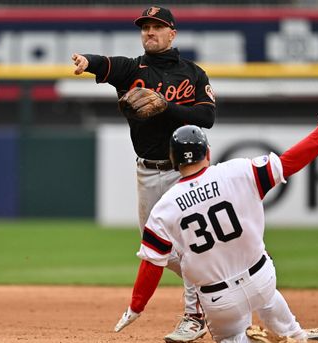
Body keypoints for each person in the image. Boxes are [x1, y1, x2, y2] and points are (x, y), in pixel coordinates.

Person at [113, 99, 318, 342]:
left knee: (232, 339)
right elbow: (291, 161)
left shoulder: (164, 208)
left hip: (219, 300)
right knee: (279, 316)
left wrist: (136, 307)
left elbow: (152, 265)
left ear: (174, 161)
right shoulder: (238, 171)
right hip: (262, 280)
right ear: (207, 152)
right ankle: (292, 334)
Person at [72, 5, 216, 342]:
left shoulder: (193, 73)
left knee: (190, 246)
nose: (149, 33)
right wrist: (86, 62)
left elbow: (206, 118)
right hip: (147, 172)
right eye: (145, 27)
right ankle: (216, 278)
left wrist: (167, 107)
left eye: (156, 27)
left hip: (187, 171)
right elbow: (105, 64)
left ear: (172, 33)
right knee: (156, 250)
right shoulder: (131, 69)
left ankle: (195, 316)